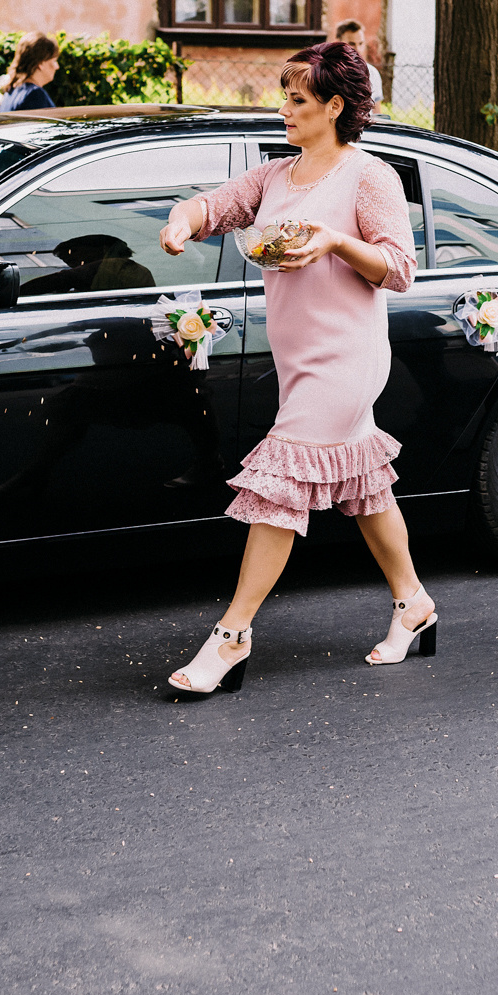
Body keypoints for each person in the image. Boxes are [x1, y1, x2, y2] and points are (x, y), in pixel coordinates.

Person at [156, 41, 426, 695]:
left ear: (334, 106)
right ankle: (414, 603)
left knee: (279, 479)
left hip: (349, 358)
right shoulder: (275, 177)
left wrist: (334, 241)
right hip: (300, 360)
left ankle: (232, 637)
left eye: (295, 99)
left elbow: (400, 268)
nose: (283, 108)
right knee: (363, 485)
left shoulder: (369, 177)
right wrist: (179, 224)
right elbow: (216, 207)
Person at [0, 33, 61, 111]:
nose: (57, 67)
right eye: (54, 61)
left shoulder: (10, 92)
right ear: (40, 63)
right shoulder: (35, 95)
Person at [333, 19, 387, 98]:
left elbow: (376, 109)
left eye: (361, 43)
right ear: (339, 43)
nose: (357, 49)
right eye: (352, 44)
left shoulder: (372, 73)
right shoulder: (330, 72)